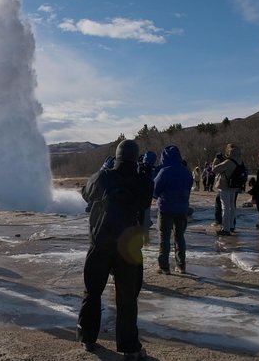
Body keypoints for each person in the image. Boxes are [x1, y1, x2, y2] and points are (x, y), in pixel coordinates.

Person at [78, 139, 153, 361]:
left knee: (92, 291)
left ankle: (88, 338)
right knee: (127, 296)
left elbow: (86, 193)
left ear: (117, 156)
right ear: (136, 157)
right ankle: (130, 348)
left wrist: (100, 171)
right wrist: (146, 173)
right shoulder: (141, 181)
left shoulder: (105, 177)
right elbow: (146, 200)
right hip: (128, 245)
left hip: (101, 241)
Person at [153, 145, 193, 274]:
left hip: (166, 207)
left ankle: (164, 266)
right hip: (182, 208)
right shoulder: (186, 172)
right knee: (179, 236)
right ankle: (181, 265)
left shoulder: (164, 172)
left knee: (164, 237)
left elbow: (155, 190)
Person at [213, 144, 243, 236]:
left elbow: (214, 169)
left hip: (225, 186)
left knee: (225, 207)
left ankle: (225, 229)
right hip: (234, 187)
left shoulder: (228, 162)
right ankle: (231, 225)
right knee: (232, 206)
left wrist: (216, 160)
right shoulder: (240, 161)